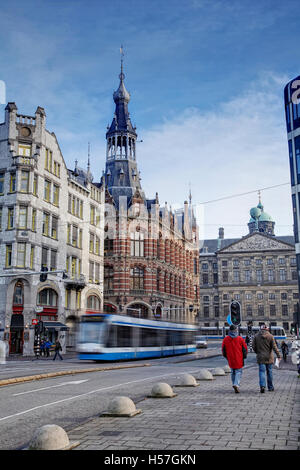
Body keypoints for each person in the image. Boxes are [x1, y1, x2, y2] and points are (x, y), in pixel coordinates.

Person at [252, 324, 281, 393]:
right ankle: (270, 387)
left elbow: (253, 346)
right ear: (267, 329)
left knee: (262, 372)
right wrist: (278, 355)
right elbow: (274, 347)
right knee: (269, 372)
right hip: (269, 357)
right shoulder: (270, 336)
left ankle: (262, 386)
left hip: (260, 357)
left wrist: (257, 352)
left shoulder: (256, 336)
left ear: (260, 329)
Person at [222, 324, 248, 393]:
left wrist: (227, 357)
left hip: (230, 358)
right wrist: (244, 356)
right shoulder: (240, 339)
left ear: (229, 331)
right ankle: (236, 384)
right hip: (239, 358)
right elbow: (245, 349)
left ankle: (234, 384)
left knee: (233, 372)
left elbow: (223, 350)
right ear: (236, 330)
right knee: (238, 372)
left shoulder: (226, 339)